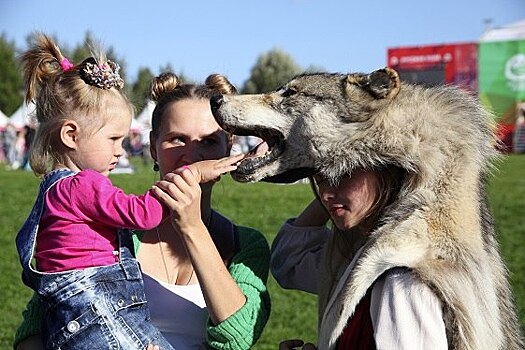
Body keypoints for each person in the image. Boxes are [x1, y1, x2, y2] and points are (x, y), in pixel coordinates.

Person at [14, 71, 271, 350]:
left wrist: (192, 226)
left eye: (208, 142)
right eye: (177, 139)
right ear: (152, 147)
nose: (192, 155)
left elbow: (237, 339)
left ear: (228, 148)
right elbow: (40, 324)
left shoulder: (245, 245)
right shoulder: (106, 227)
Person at [272, 167, 449, 349]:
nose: (324, 195)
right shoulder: (361, 254)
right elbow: (291, 260)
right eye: (319, 181)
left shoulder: (400, 279)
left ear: (386, 171)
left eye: (340, 175)